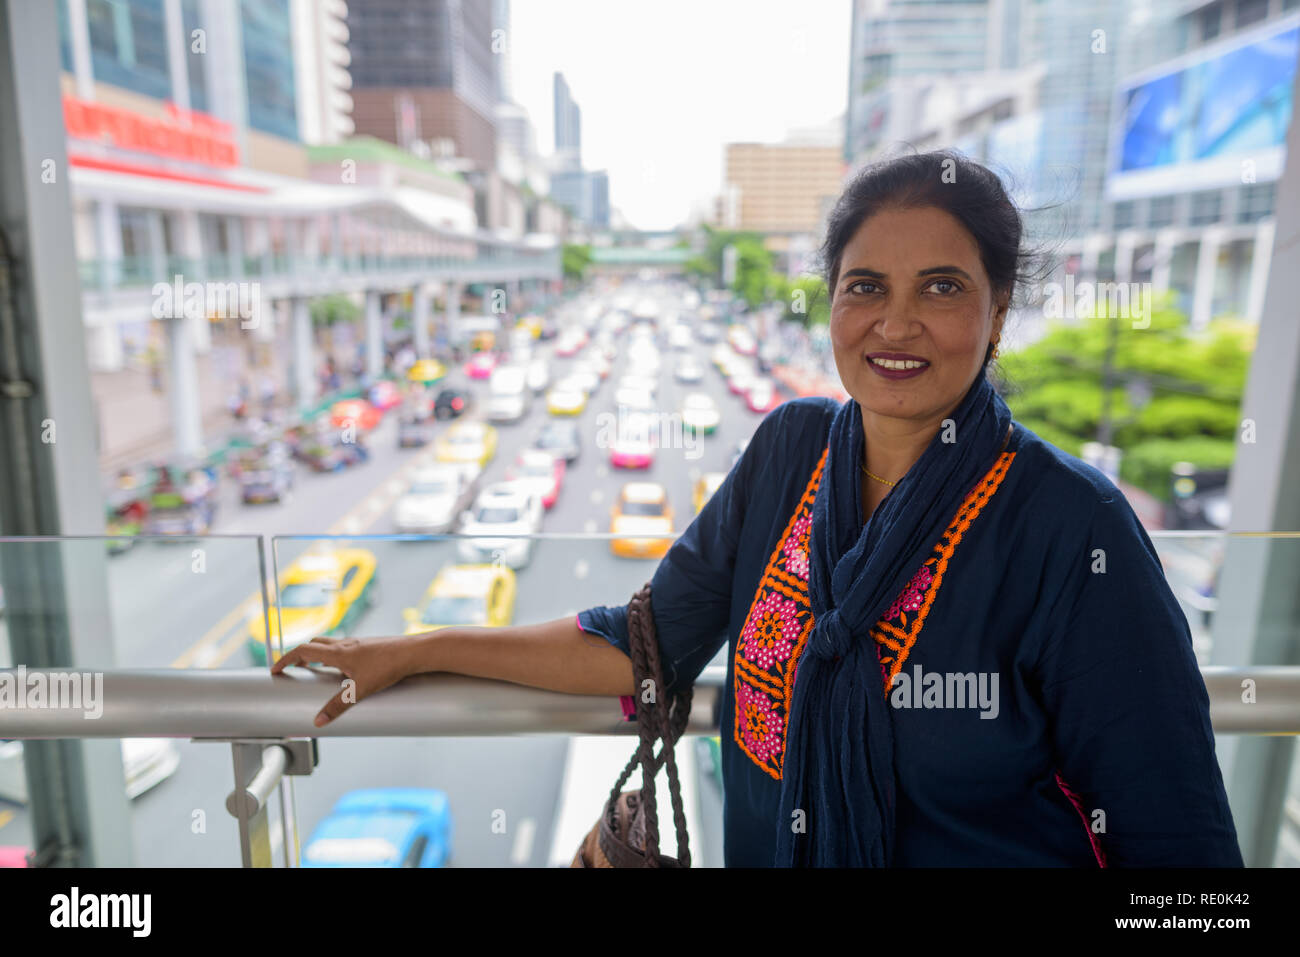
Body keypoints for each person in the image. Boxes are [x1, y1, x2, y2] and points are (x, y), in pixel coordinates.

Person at [273, 150, 1242, 868]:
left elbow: (1179, 845)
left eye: (941, 288)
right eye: (865, 287)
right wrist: (418, 648)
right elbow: (644, 643)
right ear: (829, 303)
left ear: (996, 313)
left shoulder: (1070, 527)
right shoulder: (792, 452)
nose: (895, 323)